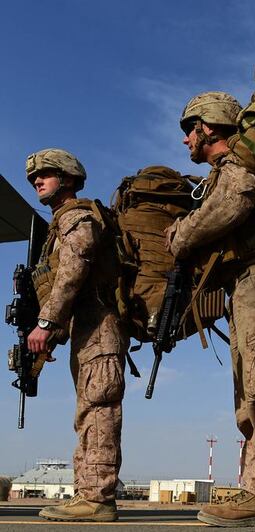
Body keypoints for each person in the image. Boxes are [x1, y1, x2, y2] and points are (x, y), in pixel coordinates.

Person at [166, 91, 255, 527]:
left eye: (190, 128)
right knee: (250, 391)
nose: (185, 139)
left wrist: (181, 234)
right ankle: (253, 490)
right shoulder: (225, 170)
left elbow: (232, 202)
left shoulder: (244, 166)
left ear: (210, 126)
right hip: (244, 286)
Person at [26, 149, 128, 522]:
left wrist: (46, 323)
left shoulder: (77, 218)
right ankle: (88, 492)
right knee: (89, 411)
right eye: (35, 177)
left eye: (46, 174)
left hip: (101, 327)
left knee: (99, 409)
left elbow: (74, 271)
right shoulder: (60, 224)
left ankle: (98, 498)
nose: (37, 180)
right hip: (87, 328)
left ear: (68, 179)